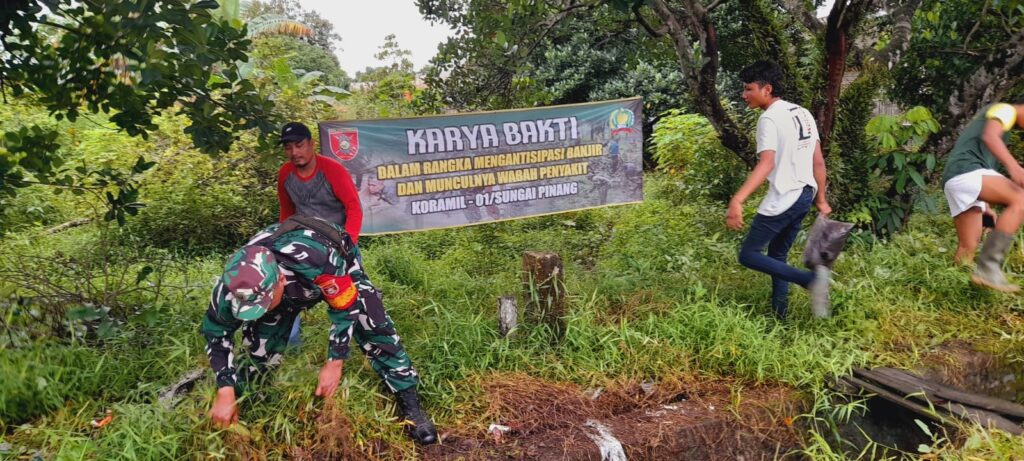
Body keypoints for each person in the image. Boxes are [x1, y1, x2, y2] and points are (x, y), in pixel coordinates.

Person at [202, 217, 438, 444]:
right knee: (260, 346)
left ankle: (411, 407)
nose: (256, 312)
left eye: (260, 305)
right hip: (282, 285)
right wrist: (225, 388)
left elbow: (345, 309)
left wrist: (335, 362)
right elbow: (216, 333)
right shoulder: (233, 285)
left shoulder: (318, 260)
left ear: (281, 281)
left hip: (336, 258)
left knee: (371, 320)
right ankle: (249, 405)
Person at [725, 60, 832, 320]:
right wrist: (820, 199)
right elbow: (818, 161)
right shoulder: (803, 113)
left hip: (785, 196)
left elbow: (767, 163)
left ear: (767, 89)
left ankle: (810, 280)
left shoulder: (769, 118)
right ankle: (779, 316)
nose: (744, 95)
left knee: (749, 255)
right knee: (778, 254)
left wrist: (737, 200)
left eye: (749, 89)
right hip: (804, 194)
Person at [277, 122, 363, 346]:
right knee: (287, 296)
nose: (294, 152)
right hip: (303, 248)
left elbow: (354, 208)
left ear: (311, 144)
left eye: (299, 145)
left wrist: (349, 246)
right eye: (288, 148)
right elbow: (287, 211)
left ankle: (357, 346)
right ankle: (290, 348)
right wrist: (281, 244)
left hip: (339, 246)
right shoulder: (285, 174)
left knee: (354, 299)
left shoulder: (332, 170)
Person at [941, 98, 1024, 292]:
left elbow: (986, 165)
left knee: (968, 245)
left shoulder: (1004, 128)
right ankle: (989, 266)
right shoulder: (1005, 109)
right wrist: (1015, 168)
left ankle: (956, 293)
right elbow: (990, 137)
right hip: (967, 172)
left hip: (956, 177)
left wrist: (986, 206)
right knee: (1021, 198)